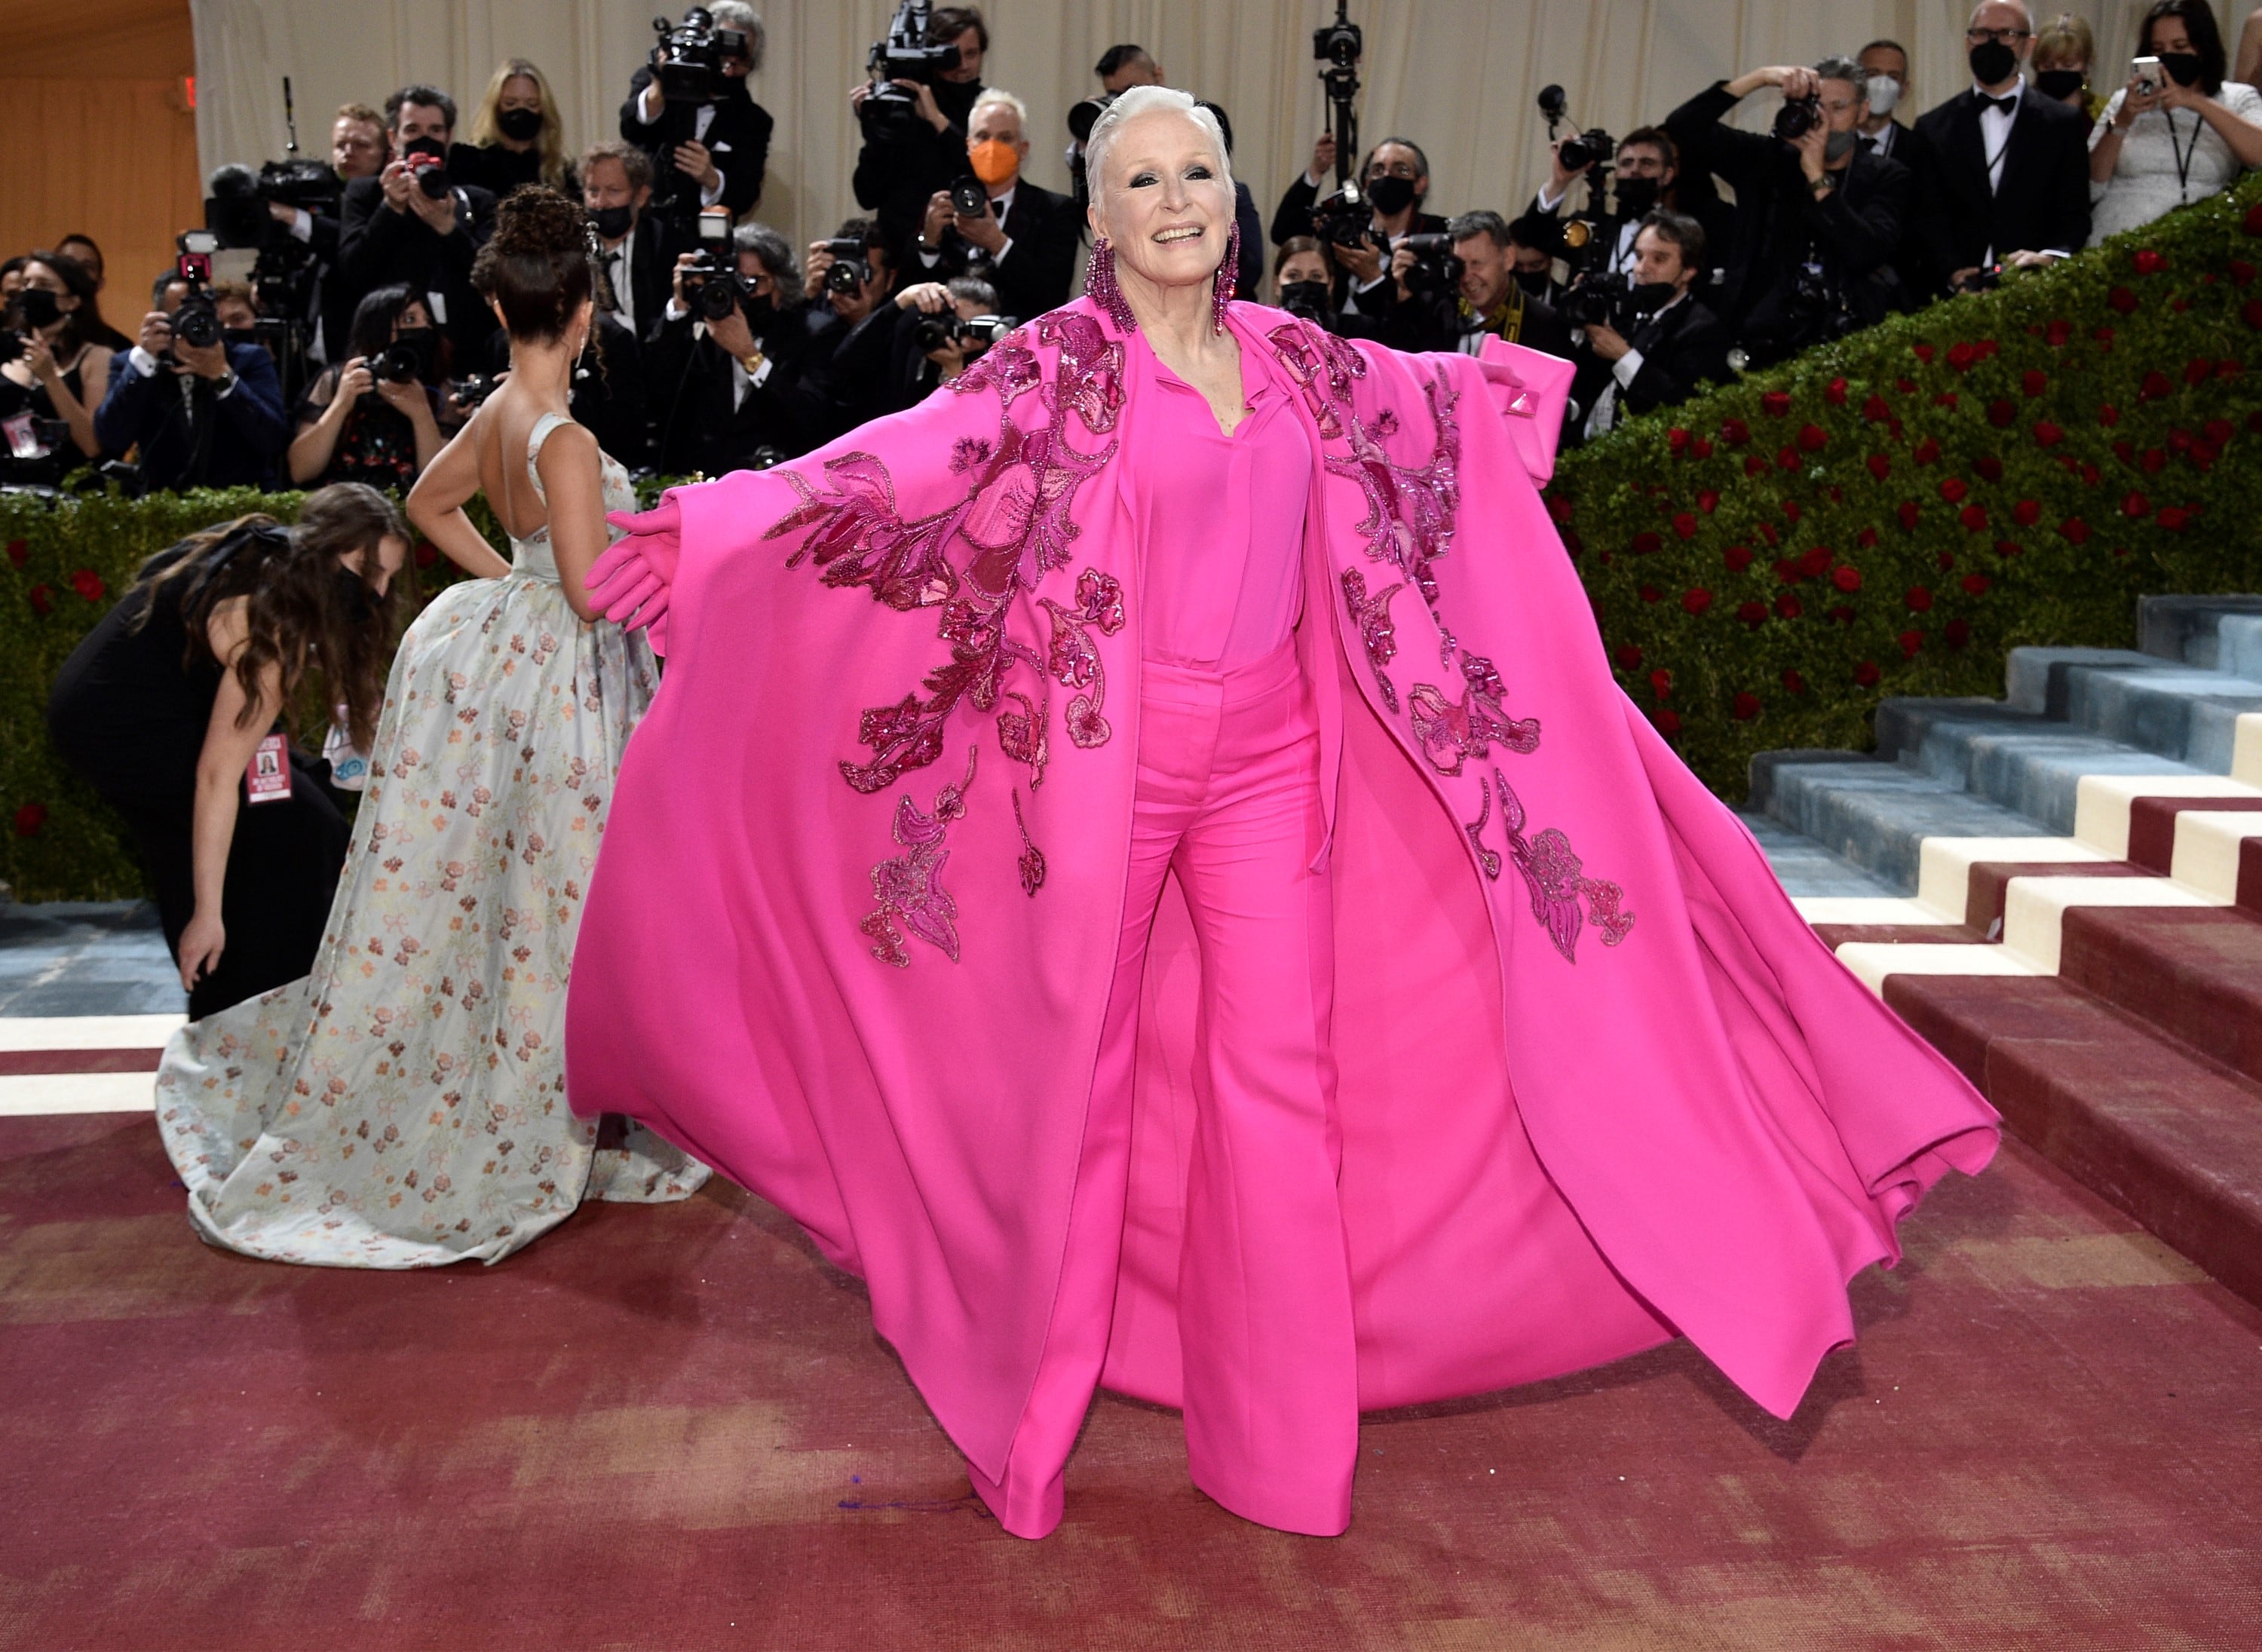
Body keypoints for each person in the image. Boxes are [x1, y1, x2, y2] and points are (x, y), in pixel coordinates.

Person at [562, 84, 1998, 1541]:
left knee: (1280, 1087)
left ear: (1234, 199)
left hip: (1270, 762)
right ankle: (1025, 1424)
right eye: (1144, 180)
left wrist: (1515, 390)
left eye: (1200, 172)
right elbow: (904, 461)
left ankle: (1279, 1451)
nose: (1179, 199)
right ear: (1102, 221)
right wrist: (718, 525)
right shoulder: (1058, 366)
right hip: (1106, 766)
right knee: (1074, 1083)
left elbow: (1438, 412)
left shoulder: (1302, 361)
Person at [149, 188, 705, 1270]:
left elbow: (427, 506)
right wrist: (665, 565)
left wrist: (513, 581)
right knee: (569, 903)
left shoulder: (501, 409)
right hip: (572, 695)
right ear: (586, 309)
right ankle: (560, 1108)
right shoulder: (570, 440)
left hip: (521, 676)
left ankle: (559, 1088)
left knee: (520, 896)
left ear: (502, 310)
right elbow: (595, 595)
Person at [47, 484, 407, 1019]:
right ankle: (235, 998)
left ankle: (281, 997)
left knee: (309, 815)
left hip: (160, 701)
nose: (376, 593)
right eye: (368, 572)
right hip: (117, 724)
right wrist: (207, 915)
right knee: (276, 827)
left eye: (389, 579)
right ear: (329, 551)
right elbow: (216, 777)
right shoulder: (270, 618)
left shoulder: (279, 560)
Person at [1666, 58, 1911, 363]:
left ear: (1862, 111)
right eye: (1818, 107)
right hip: (1757, 339)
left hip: (1845, 341)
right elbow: (1683, 126)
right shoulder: (1766, 161)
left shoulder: (1884, 175)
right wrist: (1761, 77)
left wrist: (1817, 177)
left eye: (1839, 108)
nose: (1827, 120)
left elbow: (1866, 251)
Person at [1910, 0, 2092, 295]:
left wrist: (2048, 258)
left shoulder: (2062, 123)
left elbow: (2075, 214)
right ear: (1968, 43)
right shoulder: (1932, 128)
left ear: (2028, 46)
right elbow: (1927, 218)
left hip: (2036, 292)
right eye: (1981, 34)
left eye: (2006, 33)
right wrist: (1953, 273)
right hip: (1953, 298)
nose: (1991, 43)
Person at [336, 85, 500, 366]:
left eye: (435, 130)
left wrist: (449, 228)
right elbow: (352, 271)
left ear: (448, 137)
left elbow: (496, 279)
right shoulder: (365, 194)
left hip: (467, 355)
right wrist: (389, 209)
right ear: (393, 137)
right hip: (388, 351)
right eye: (412, 130)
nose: (425, 140)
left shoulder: (477, 200)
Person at [96, 270, 292, 490]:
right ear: (160, 319)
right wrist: (144, 362)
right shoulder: (133, 365)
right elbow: (111, 438)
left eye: (202, 316)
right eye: (183, 316)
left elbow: (273, 440)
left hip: (240, 502)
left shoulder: (247, 358)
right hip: (162, 504)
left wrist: (222, 376)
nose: (193, 326)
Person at [650, 222, 820, 474]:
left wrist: (750, 356)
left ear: (780, 283)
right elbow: (656, 388)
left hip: (774, 480)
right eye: (734, 281)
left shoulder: (812, 332)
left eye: (752, 282)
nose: (741, 294)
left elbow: (811, 418)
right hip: (702, 479)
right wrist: (680, 305)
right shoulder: (703, 325)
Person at [2089, 0, 2262, 244]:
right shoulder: (2124, 101)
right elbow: (2091, 184)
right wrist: (2122, 121)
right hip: (2117, 233)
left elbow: (2259, 154)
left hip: (2193, 243)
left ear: (2203, 48)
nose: (2168, 57)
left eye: (2180, 47)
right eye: (2158, 50)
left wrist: (2195, 102)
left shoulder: (2237, 98)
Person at [907, 89, 1077, 323]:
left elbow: (1052, 297)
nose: (992, 147)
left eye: (1005, 138)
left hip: (1019, 347)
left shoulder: (1055, 210)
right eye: (983, 136)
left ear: (1023, 149)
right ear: (969, 145)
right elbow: (913, 296)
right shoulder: (943, 205)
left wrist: (998, 244)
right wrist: (930, 243)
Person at [1568, 209, 1731, 443]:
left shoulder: (1703, 329)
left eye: (1659, 259)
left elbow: (1682, 405)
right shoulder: (1626, 309)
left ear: (1689, 270)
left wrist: (1623, 356)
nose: (1642, 269)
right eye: (1639, 256)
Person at [851, 4, 989, 265]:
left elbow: (986, 177)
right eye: (951, 55)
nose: (962, 65)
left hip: (967, 253)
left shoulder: (988, 108)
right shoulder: (902, 106)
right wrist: (873, 129)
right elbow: (867, 195)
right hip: (900, 255)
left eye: (971, 54)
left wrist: (938, 120)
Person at [622, 0, 773, 227]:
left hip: (702, 238)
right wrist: (662, 85)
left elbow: (746, 195)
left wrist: (712, 179)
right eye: (725, 57)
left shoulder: (753, 120)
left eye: (742, 61)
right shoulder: (655, 82)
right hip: (646, 232)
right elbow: (632, 129)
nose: (730, 70)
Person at [1270, 136, 1448, 324]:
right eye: (1378, 169)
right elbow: (1284, 233)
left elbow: (1420, 326)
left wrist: (1373, 279)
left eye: (1401, 170)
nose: (1387, 176)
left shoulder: (1433, 239)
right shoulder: (1346, 226)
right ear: (1368, 182)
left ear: (1420, 184)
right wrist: (1316, 171)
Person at [287, 285, 449, 489]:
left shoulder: (438, 386)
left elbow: (441, 483)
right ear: (377, 326)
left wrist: (422, 415)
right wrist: (340, 405)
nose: (423, 329)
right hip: (343, 508)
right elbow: (301, 471)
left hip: (407, 511)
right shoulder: (338, 379)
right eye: (409, 319)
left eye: (428, 322)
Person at [1384, 210, 1574, 359]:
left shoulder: (1545, 326)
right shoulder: (1440, 306)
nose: (1466, 277)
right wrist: (1404, 297)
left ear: (1508, 259)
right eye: (1459, 265)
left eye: (1477, 264)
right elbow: (1398, 364)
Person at [0, 251, 116, 471]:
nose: (31, 291)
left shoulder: (96, 357)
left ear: (71, 302)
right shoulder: (6, 348)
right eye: (27, 283)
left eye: (44, 285)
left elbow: (92, 446)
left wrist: (50, 378)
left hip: (64, 490)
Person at [584, 140, 674, 345]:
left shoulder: (665, 246)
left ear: (641, 196)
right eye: (593, 191)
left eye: (613, 191)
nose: (601, 203)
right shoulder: (570, 245)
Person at [453, 59, 578, 201]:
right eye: (511, 104)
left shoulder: (559, 169)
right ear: (495, 107)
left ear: (544, 109)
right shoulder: (471, 163)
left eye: (532, 105)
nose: (521, 111)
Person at [49, 236, 132, 351]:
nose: (76, 271)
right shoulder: (30, 334)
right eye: (68, 262)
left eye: (87, 267)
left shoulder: (120, 347)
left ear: (100, 284)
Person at [1855, 40, 1917, 162]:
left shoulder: (1918, 150)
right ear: (1854, 83)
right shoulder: (1831, 141)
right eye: (1873, 74)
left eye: (1893, 77)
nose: (1881, 86)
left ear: (1904, 88)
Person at [2033, 14, 2103, 118]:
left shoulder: (2103, 112)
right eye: (2048, 66)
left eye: (2068, 65)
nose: (2057, 70)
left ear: (2086, 63)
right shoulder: (2022, 110)